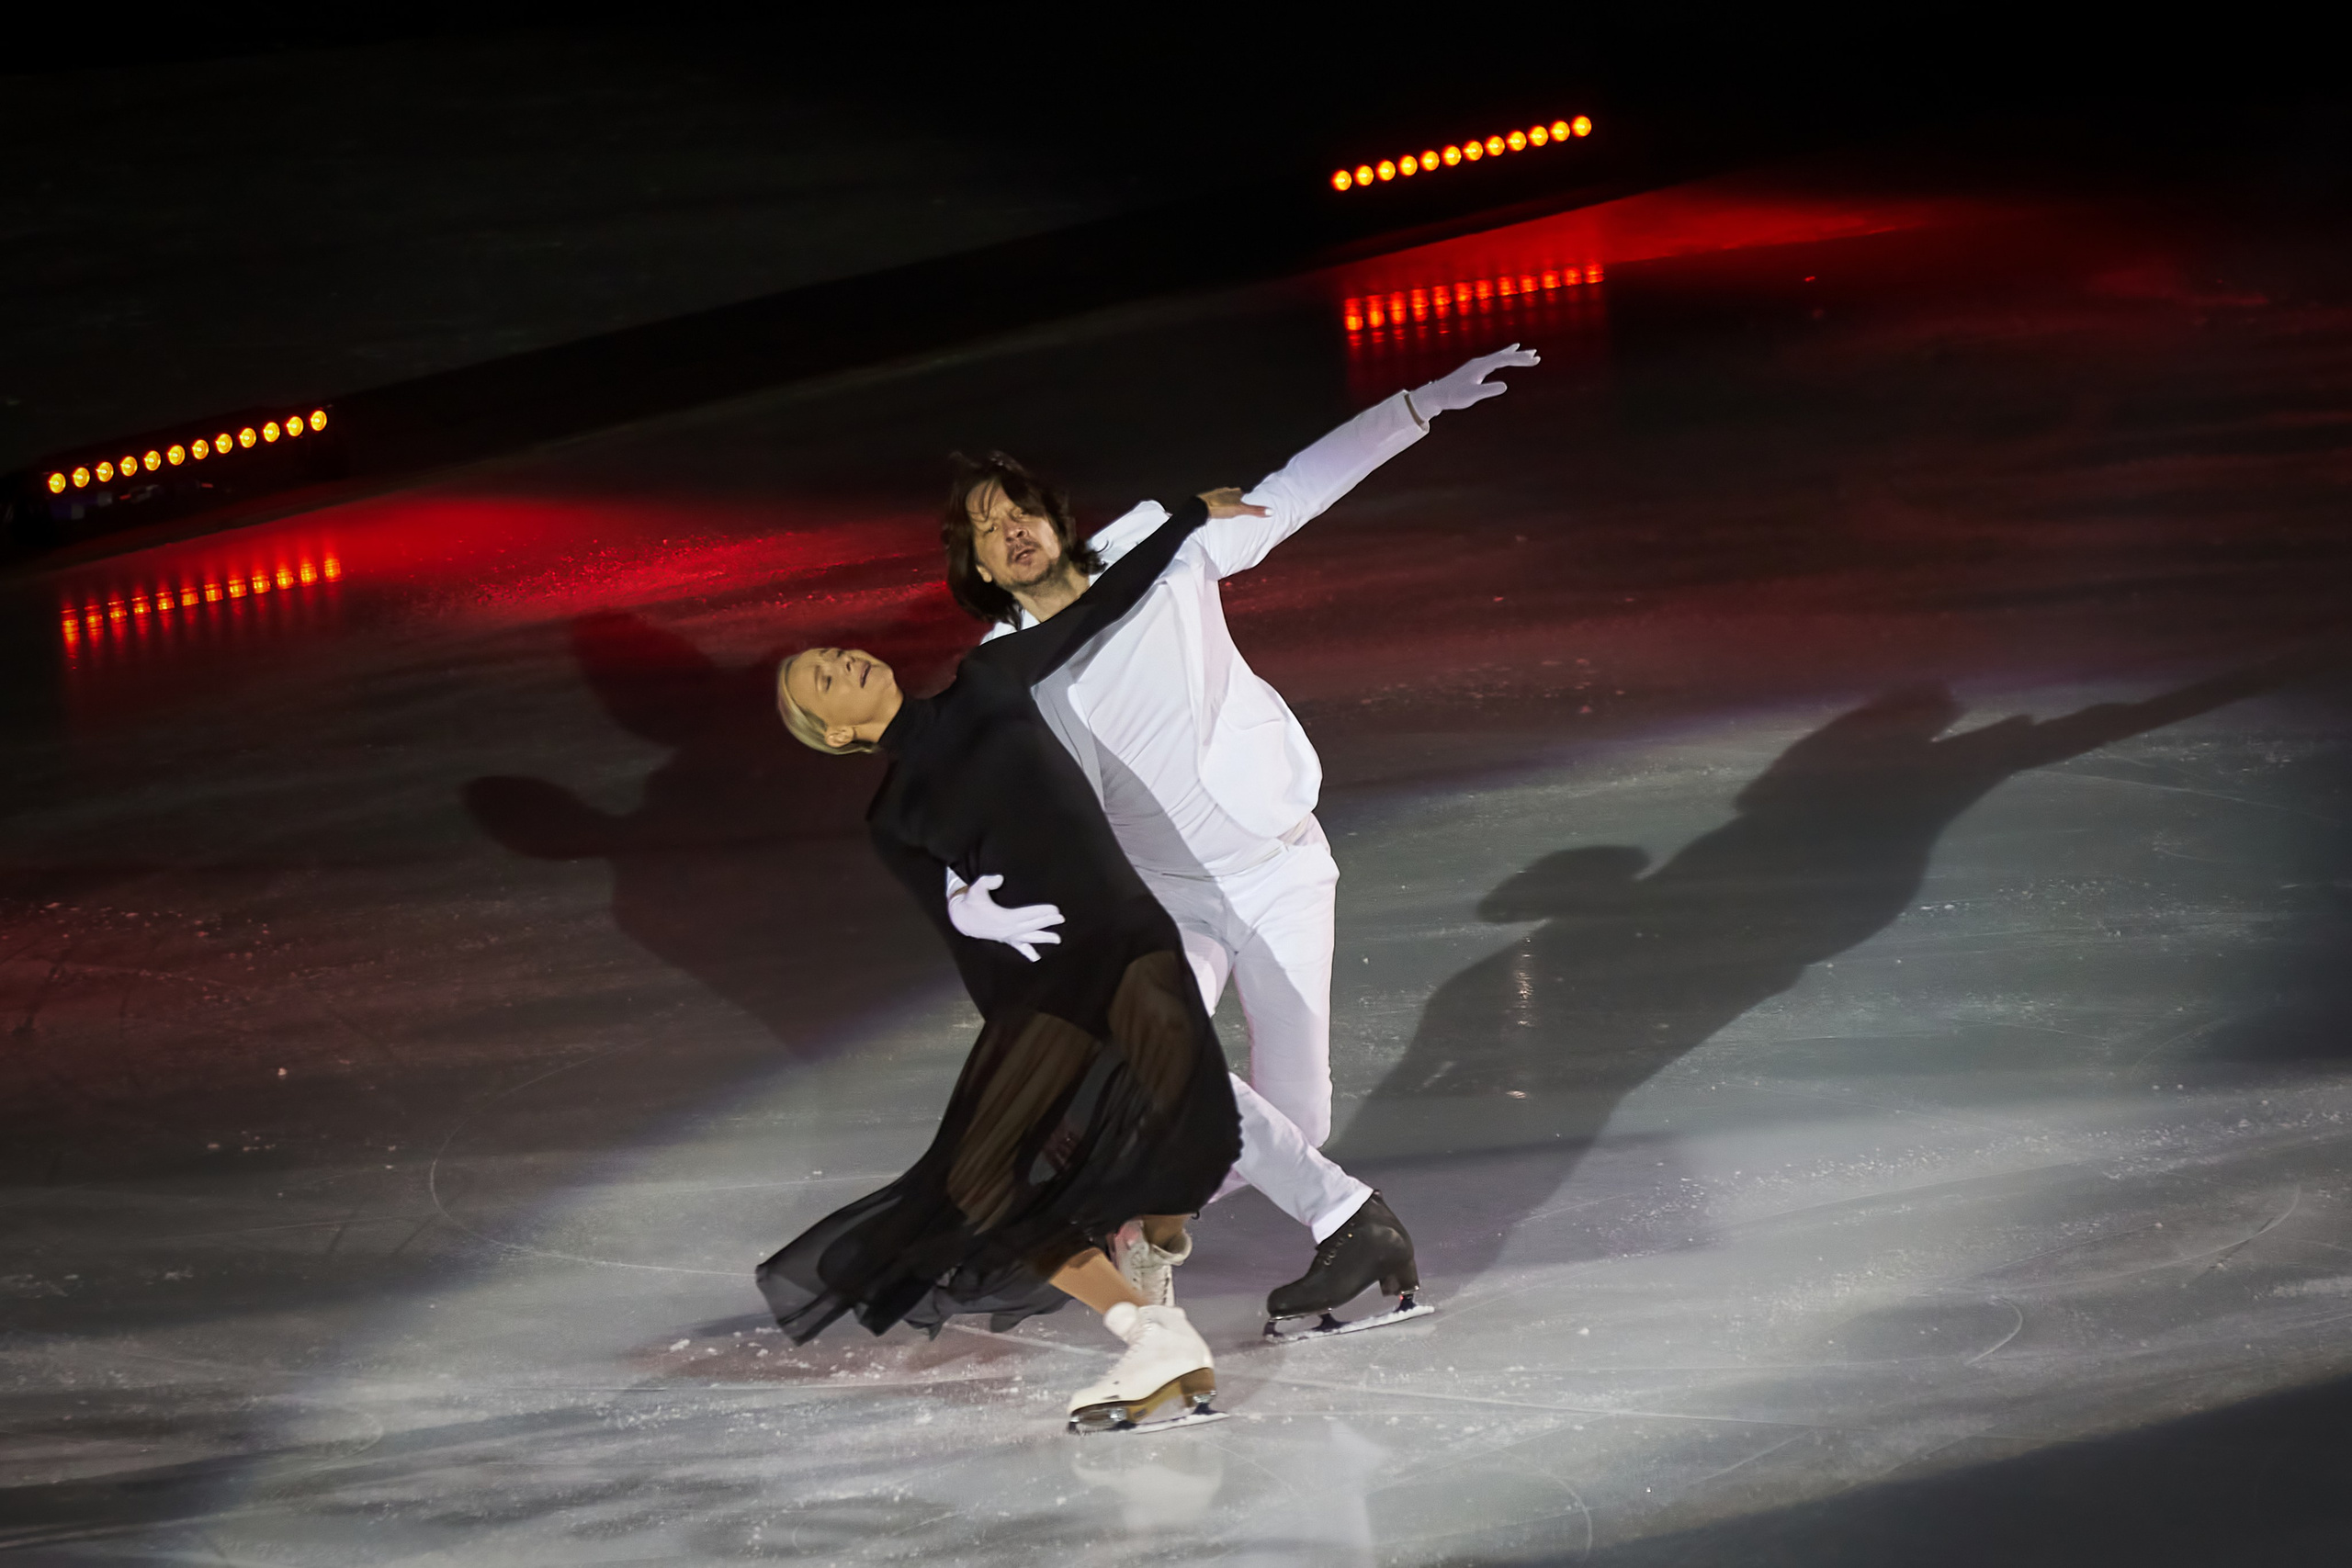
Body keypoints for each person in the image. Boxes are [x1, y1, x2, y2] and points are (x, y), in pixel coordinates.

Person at [938, 345, 1540, 1337]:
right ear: (973, 563)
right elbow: (965, 800)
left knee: (1296, 1122)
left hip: (1282, 867)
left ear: (1054, 517)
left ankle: (1127, 1218)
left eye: (1019, 511)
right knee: (1157, 1060)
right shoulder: (1001, 670)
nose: (1010, 532)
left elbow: (1290, 493)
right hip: (1164, 895)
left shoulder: (1159, 545)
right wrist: (969, 895)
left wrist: (1414, 406)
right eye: (985, 528)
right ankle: (1338, 1220)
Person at [758, 489, 1263, 1435]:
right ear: (838, 733)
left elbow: (1094, 608)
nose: (840, 660)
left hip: (1128, 938)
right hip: (1046, 992)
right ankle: (1149, 1331)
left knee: (1192, 1142)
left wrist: (1186, 515)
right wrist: (974, 921)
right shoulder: (892, 820)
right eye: (822, 679)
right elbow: (967, 946)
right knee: (982, 1181)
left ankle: (1155, 1266)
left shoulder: (986, 681)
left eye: (832, 653)